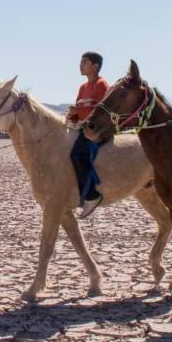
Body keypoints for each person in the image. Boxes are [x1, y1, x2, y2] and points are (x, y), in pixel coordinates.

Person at [69, 51, 110, 219]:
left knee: (77, 154)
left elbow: (104, 112)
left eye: (84, 62)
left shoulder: (102, 85)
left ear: (95, 66)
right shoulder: (82, 88)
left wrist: (84, 121)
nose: (80, 65)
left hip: (97, 131)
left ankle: (92, 196)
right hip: (82, 129)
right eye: (80, 62)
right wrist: (73, 114)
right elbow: (77, 115)